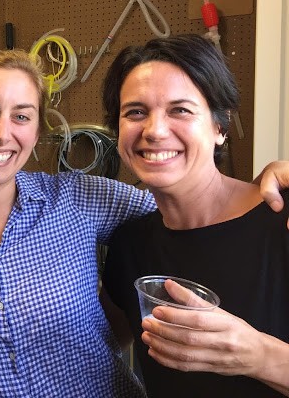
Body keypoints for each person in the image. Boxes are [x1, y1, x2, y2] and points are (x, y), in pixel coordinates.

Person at [0, 49, 289, 397]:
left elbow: (196, 203)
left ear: (221, 125)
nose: (1, 132)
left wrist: (270, 182)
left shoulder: (78, 200)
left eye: (22, 116)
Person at [100, 34, 289, 397]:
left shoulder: (280, 219)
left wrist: (260, 355)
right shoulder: (129, 245)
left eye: (180, 110)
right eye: (136, 112)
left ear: (220, 127)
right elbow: (88, 345)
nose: (154, 131)